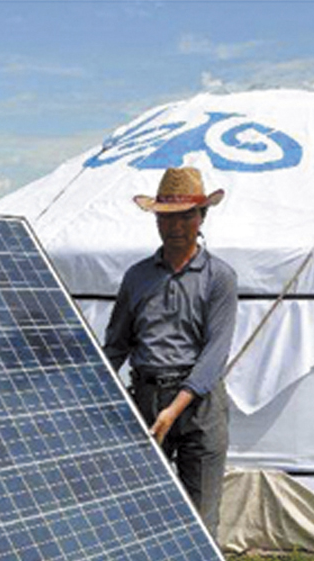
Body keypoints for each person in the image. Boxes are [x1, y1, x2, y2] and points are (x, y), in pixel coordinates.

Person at [103, 166, 237, 537]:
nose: (176, 226)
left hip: (200, 403)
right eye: (166, 218)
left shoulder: (219, 277)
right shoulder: (138, 276)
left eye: (185, 216)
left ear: (202, 217)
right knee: (145, 512)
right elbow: (116, 344)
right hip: (146, 396)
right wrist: (85, 391)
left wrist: (174, 409)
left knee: (201, 516)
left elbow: (215, 353)